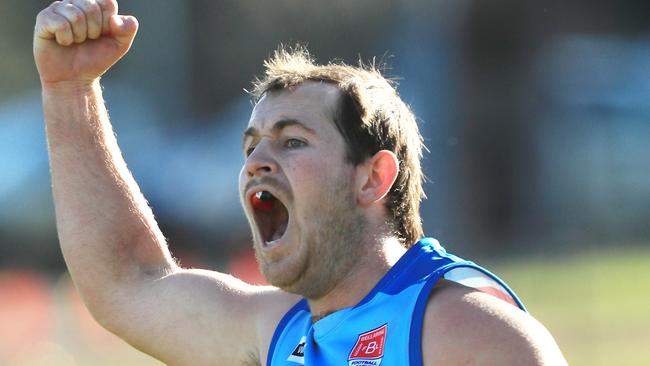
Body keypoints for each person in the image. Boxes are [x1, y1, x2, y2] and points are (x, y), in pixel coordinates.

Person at [34, 1, 567, 365]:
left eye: (291, 141)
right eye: (251, 146)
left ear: (373, 178)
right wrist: (69, 88)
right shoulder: (275, 332)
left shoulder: (463, 331)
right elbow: (126, 283)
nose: (257, 163)